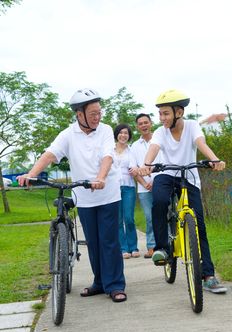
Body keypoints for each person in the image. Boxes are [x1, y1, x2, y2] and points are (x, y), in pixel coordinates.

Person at [17, 88, 127, 302]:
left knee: (109, 241)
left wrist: (101, 177)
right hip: (84, 197)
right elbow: (50, 154)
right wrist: (31, 174)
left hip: (107, 193)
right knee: (93, 243)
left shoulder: (104, 130)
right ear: (79, 114)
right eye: (93, 113)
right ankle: (100, 282)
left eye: (99, 112)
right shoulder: (68, 134)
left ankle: (115, 285)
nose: (97, 117)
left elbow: (107, 156)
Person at [138, 89, 227, 294]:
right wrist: (146, 164)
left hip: (189, 176)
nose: (162, 118)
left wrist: (214, 160)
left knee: (199, 224)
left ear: (179, 112)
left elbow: (200, 143)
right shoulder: (160, 131)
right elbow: (154, 148)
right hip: (165, 173)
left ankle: (208, 276)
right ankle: (162, 248)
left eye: (166, 113)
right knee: (159, 201)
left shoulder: (192, 126)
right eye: (160, 114)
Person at [130, 113, 159, 258]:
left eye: (146, 122)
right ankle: (152, 246)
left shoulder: (160, 139)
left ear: (151, 123)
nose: (143, 125)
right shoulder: (134, 146)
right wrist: (145, 183)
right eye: (140, 123)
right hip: (143, 188)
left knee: (164, 215)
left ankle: (166, 245)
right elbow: (133, 168)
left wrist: (154, 181)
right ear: (137, 127)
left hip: (161, 183)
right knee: (149, 217)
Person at [114, 123, 140, 259]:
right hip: (113, 189)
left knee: (129, 218)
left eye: (126, 133)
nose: (123, 135)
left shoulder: (131, 151)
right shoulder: (109, 150)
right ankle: (123, 248)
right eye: (121, 132)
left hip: (128, 187)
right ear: (117, 134)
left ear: (129, 136)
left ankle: (133, 247)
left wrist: (135, 169)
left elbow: (133, 166)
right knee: (117, 220)